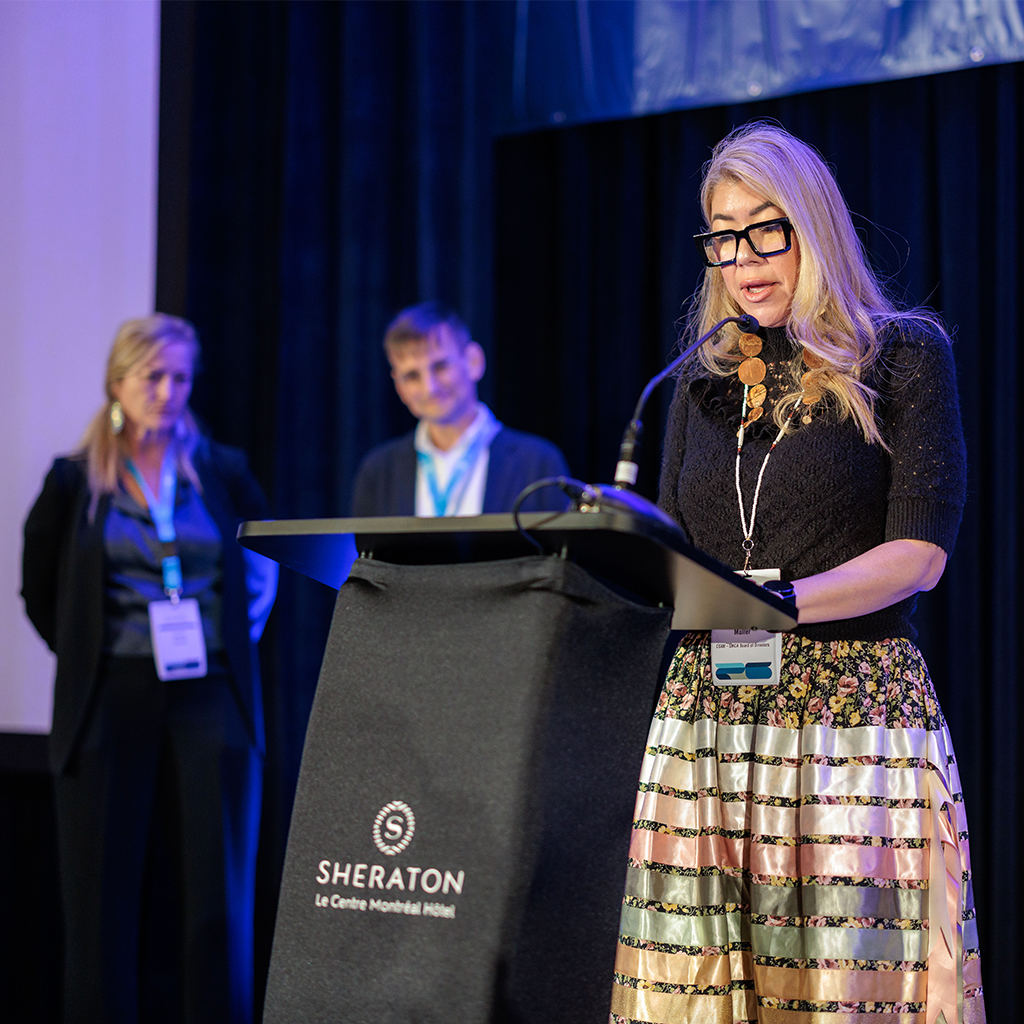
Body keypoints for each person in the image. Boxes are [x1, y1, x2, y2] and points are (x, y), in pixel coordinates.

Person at [611, 124, 983, 1023]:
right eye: (724, 235)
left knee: (844, 992)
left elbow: (921, 556)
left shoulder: (902, 355)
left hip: (850, 725)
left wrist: (777, 605)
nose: (744, 258)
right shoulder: (697, 383)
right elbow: (671, 549)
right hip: (704, 721)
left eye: (767, 227)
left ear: (812, 224)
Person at [21, 314, 278, 1024]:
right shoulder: (76, 481)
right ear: (118, 383)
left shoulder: (220, 468)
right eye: (152, 378)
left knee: (218, 897)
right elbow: (39, 590)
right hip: (111, 689)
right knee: (100, 899)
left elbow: (265, 557)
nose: (168, 392)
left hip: (211, 690)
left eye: (180, 378)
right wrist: (82, 653)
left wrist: (238, 633)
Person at [351, 301, 569, 516]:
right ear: (399, 386)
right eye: (412, 376)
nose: (430, 388)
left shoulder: (537, 464)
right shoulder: (379, 473)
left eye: (441, 366)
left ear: (474, 361)